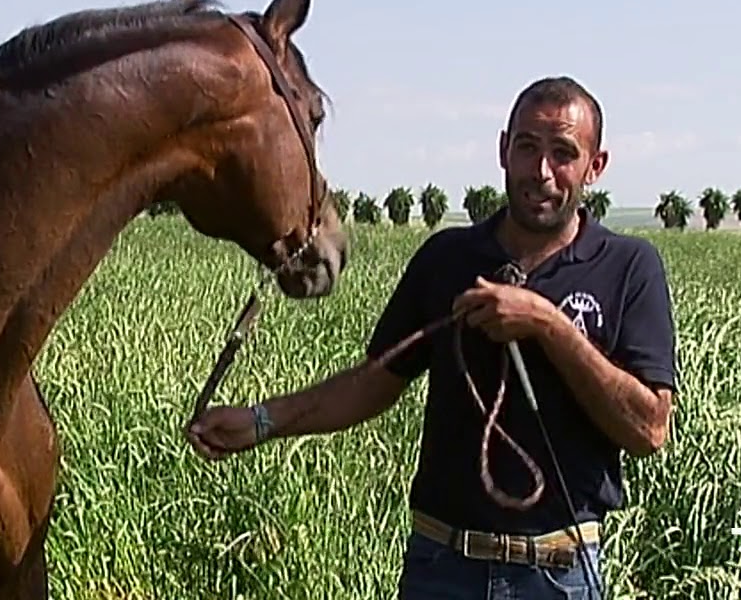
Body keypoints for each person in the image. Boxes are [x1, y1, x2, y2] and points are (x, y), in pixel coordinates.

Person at [185, 76, 679, 599]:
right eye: (527, 147)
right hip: (443, 568)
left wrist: (549, 325)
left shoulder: (629, 267)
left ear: (594, 167)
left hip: (557, 575)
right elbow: (373, 382)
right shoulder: (448, 258)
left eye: (563, 153)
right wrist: (262, 421)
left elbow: (648, 428)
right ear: (503, 150)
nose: (542, 171)